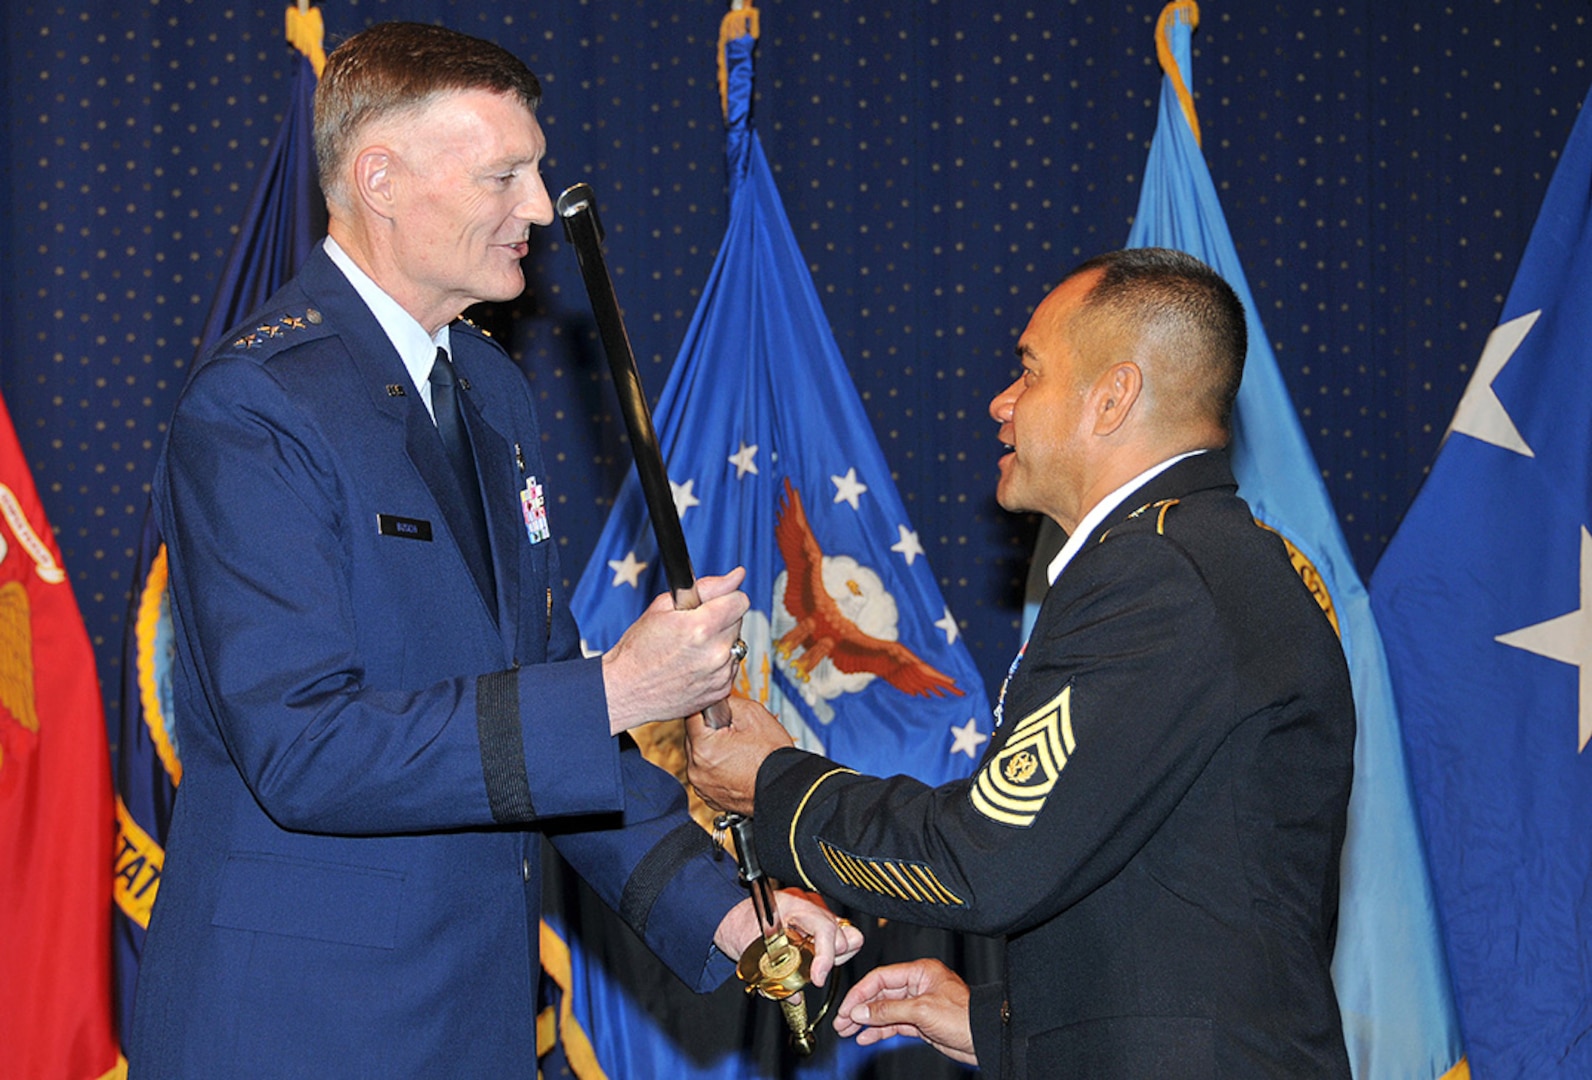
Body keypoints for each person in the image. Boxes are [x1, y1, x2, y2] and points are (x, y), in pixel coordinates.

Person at [128, 22, 859, 1076]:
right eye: (503, 175)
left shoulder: (489, 388)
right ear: (378, 178)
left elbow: (545, 716)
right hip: (300, 1030)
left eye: (537, 171)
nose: (534, 208)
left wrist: (730, 916)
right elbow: (304, 748)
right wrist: (611, 689)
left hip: (468, 1023)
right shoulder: (257, 405)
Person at [688, 247, 1357, 1078]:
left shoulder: (1157, 575)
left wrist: (772, 782)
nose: (1001, 403)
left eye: (1029, 372)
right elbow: (1183, 900)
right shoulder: (1211, 556)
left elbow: (986, 860)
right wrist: (1002, 1023)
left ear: (1111, 398)